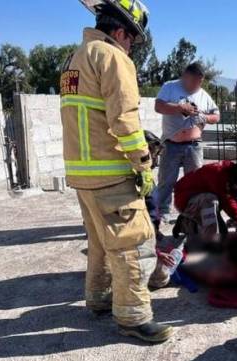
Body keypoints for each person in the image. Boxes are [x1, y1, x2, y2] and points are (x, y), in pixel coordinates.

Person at [60, 0, 173, 343]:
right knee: (134, 245)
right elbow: (124, 119)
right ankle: (133, 318)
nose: (132, 48)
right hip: (110, 174)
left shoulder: (74, 60)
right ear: (121, 31)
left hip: (83, 174)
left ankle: (98, 299)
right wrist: (143, 165)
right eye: (133, 40)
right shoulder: (112, 57)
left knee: (100, 243)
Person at [154, 63, 221, 222]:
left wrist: (205, 117)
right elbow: (158, 106)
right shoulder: (170, 87)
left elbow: (216, 115)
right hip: (171, 144)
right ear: (185, 76)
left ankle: (191, 213)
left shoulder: (203, 94)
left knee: (194, 182)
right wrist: (179, 107)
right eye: (193, 82)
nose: (196, 86)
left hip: (194, 145)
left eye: (199, 83)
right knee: (166, 181)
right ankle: (162, 212)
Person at [173, 161, 237, 241]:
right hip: (184, 199)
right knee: (211, 200)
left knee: (214, 212)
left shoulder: (231, 175)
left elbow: (234, 201)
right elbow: (227, 202)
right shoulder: (217, 174)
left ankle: (186, 224)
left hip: (197, 200)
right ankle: (211, 241)